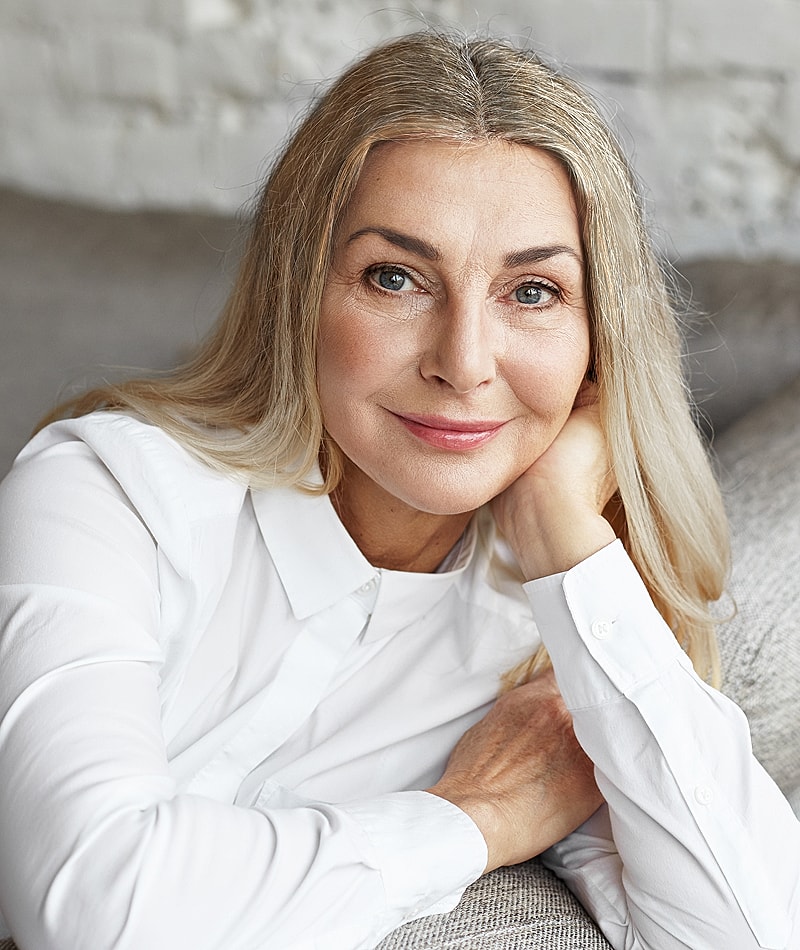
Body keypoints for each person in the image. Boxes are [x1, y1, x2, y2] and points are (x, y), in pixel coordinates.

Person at [0, 29, 797, 950]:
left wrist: (563, 534)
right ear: (300, 294)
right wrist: (473, 817)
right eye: (395, 278)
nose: (463, 363)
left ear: (600, 334)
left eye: (532, 292)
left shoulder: (549, 642)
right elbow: (92, 906)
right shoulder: (105, 494)